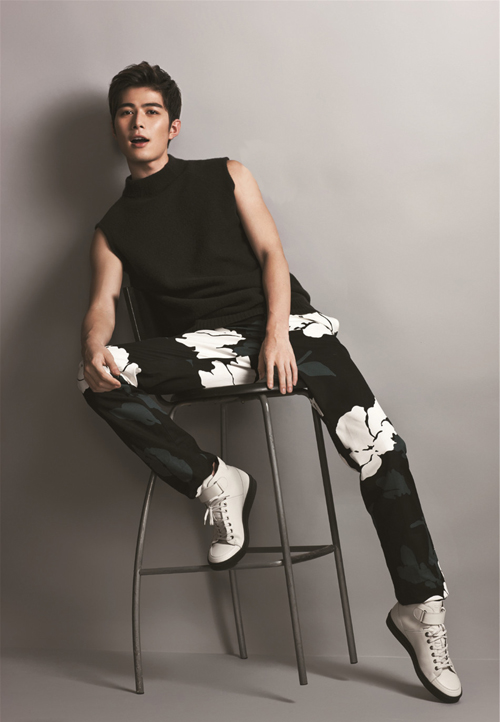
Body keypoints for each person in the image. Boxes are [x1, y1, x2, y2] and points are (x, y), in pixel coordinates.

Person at [77, 61, 461, 703]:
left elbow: (271, 255)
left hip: (287, 328)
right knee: (97, 376)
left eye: (151, 111)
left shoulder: (226, 174)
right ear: (115, 127)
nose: (138, 122)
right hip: (209, 348)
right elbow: (101, 306)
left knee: (379, 445)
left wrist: (278, 332)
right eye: (125, 112)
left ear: (173, 125)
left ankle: (420, 606)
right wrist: (95, 345)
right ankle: (213, 478)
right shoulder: (112, 228)